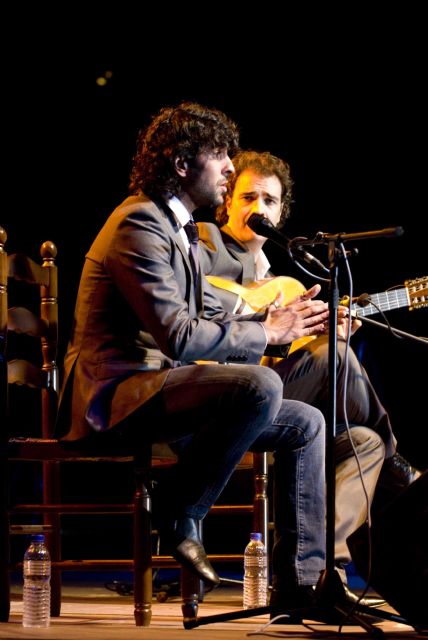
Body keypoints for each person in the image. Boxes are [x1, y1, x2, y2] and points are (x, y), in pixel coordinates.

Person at [56, 102, 335, 616]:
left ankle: (301, 585)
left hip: (160, 387)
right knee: (260, 386)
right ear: (182, 163)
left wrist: (284, 319)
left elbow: (205, 311)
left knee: (308, 423)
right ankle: (181, 506)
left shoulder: (176, 226)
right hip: (117, 395)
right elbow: (179, 335)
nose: (231, 167)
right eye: (220, 155)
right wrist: (265, 332)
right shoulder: (139, 222)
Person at [198, 149, 420, 606]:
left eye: (270, 200)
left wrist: (334, 332)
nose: (259, 208)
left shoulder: (282, 281)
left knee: (362, 441)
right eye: (248, 197)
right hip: (214, 391)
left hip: (275, 398)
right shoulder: (205, 243)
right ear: (227, 202)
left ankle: (325, 577)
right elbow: (188, 305)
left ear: (283, 211)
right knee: (330, 356)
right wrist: (264, 320)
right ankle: (403, 477)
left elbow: (302, 365)